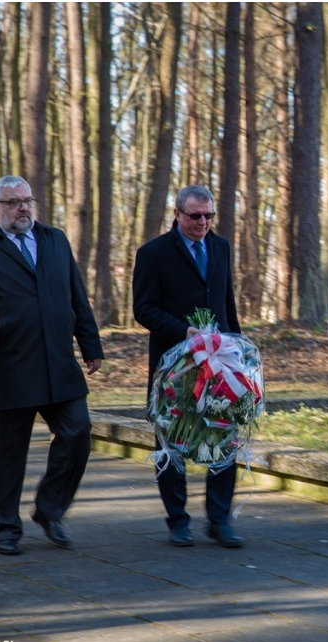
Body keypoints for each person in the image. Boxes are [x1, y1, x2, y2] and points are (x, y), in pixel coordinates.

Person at [0, 175, 104, 556]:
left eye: (28, 200)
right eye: (14, 202)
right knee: (7, 452)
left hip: (58, 363)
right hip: (7, 367)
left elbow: (76, 295)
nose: (23, 207)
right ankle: (6, 527)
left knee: (78, 433)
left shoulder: (55, 240)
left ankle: (50, 510)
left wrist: (90, 343)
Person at [132, 185, 245, 549]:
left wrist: (239, 353)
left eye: (209, 216)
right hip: (175, 366)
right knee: (172, 442)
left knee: (224, 437)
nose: (203, 223)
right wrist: (185, 332)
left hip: (221, 363)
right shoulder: (153, 253)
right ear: (177, 214)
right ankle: (178, 520)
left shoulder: (221, 247)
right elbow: (143, 309)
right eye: (195, 216)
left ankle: (219, 519)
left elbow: (227, 304)